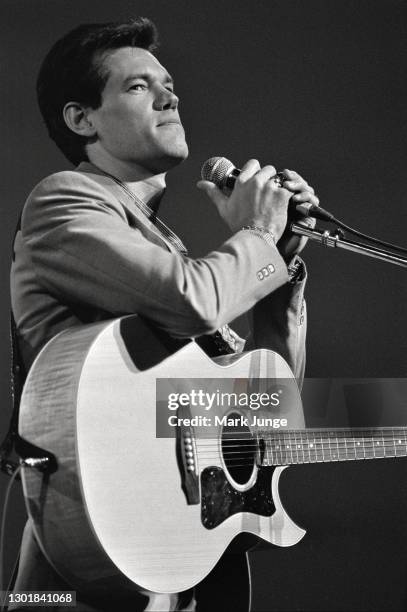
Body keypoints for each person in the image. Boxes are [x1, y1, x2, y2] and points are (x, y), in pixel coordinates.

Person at [9, 16, 319, 612]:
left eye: (168, 82)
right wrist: (257, 232)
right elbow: (194, 303)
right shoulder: (65, 200)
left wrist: (279, 265)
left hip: (179, 550)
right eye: (137, 86)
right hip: (95, 554)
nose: (169, 94)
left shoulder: (163, 242)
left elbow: (265, 413)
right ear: (82, 119)